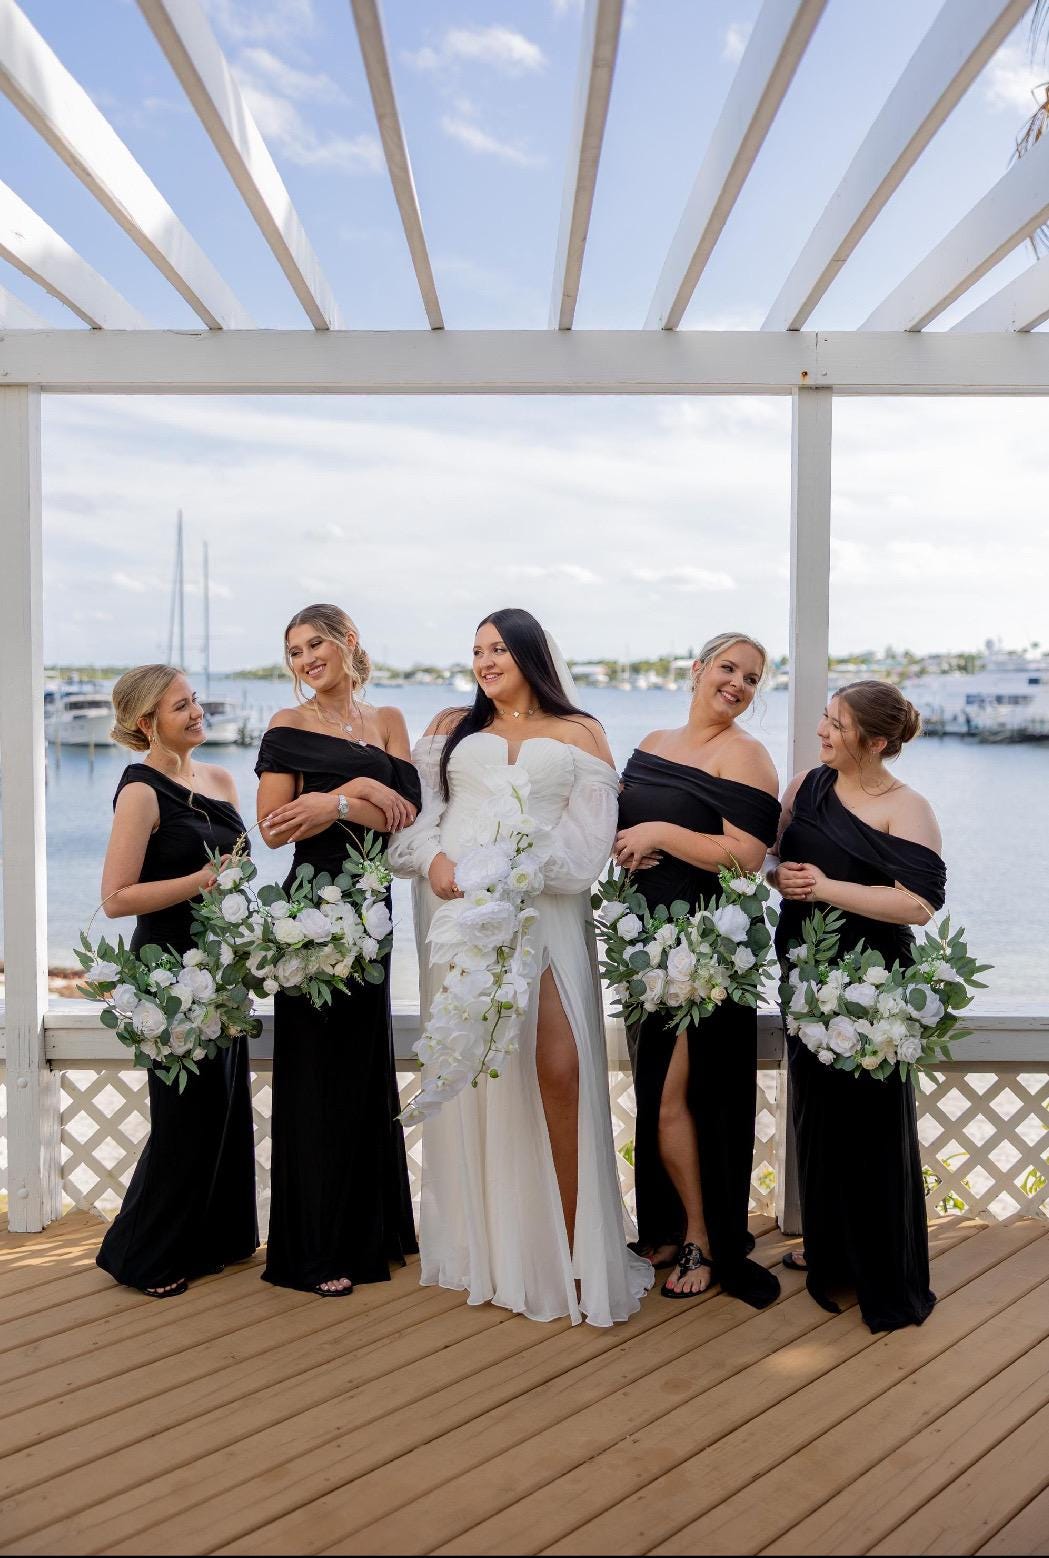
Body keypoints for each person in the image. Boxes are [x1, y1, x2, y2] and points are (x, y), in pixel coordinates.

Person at [389, 608, 652, 1327]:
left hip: (543, 915)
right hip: (459, 919)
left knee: (557, 1069)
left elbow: (589, 845)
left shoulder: (580, 731)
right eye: (475, 649)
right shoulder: (451, 726)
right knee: (483, 1077)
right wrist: (437, 862)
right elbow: (418, 824)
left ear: (533, 653)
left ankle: (572, 1249)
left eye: (498, 647)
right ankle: (495, 1249)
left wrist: (517, 874)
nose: (484, 660)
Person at [256, 604, 420, 1296]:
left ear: (347, 641)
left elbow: (404, 811)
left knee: (362, 1062)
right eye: (293, 652)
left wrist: (340, 803)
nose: (305, 660)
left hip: (371, 907)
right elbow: (271, 828)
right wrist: (355, 789)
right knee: (315, 1071)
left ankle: (373, 1231)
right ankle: (315, 1249)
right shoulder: (285, 728)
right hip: (311, 915)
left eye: (314, 643)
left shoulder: (387, 721)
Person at [615, 632, 782, 1309]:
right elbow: (618, 821)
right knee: (653, 1088)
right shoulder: (653, 742)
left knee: (675, 1100)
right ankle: (661, 1227)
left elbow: (746, 854)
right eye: (727, 668)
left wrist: (659, 836)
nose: (737, 684)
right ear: (695, 670)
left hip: (705, 953)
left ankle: (702, 1238)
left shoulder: (746, 754)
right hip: (646, 946)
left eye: (750, 678)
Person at [772, 681, 946, 1332]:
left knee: (872, 1129)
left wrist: (823, 888)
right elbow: (782, 864)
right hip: (803, 974)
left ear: (874, 742)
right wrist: (781, 879)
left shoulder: (908, 807)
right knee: (817, 1121)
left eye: (835, 723)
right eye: (824, 716)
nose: (821, 729)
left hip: (872, 986)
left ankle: (883, 1274)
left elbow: (918, 904)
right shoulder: (803, 788)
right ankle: (831, 1258)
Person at [96, 665, 257, 1298]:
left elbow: (238, 873)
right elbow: (115, 898)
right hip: (168, 971)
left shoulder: (219, 779)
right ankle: (143, 1257)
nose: (196, 713)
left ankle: (213, 1238)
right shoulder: (139, 792)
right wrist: (200, 883)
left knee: (221, 1106)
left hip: (222, 963)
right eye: (181, 706)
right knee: (183, 1115)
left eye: (193, 702)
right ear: (147, 723)